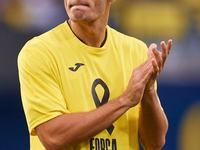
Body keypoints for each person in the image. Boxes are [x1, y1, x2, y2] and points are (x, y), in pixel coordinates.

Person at [18, 0, 172, 150]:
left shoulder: (136, 50)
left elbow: (154, 143)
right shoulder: (38, 52)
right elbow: (53, 137)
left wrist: (149, 90)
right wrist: (125, 100)